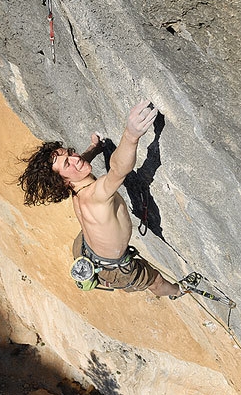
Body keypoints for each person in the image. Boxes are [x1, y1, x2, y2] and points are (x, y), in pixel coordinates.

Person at [18, 99, 184, 298]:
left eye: (70, 153)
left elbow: (78, 164)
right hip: (112, 268)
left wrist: (94, 148)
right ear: (63, 181)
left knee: (77, 167)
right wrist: (131, 135)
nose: (75, 158)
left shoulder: (73, 185)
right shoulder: (96, 195)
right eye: (67, 163)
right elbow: (118, 170)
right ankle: (178, 291)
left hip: (84, 248)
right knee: (155, 281)